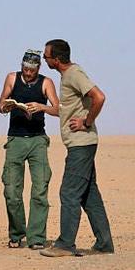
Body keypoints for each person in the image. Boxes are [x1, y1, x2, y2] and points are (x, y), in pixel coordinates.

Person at [36, 39, 114, 257]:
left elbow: (99, 97)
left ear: (57, 59)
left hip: (82, 144)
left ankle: (65, 244)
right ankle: (104, 244)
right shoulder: (67, 77)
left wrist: (86, 122)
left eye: (46, 57)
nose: (44, 60)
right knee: (89, 195)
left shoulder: (74, 74)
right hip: (80, 144)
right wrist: (43, 107)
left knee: (69, 192)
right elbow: (66, 109)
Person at [0, 49, 59, 249]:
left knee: (40, 190)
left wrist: (41, 107)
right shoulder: (12, 78)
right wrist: (5, 106)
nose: (27, 72)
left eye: (31, 70)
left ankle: (37, 238)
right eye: (24, 69)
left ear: (38, 68)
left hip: (37, 141)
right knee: (12, 191)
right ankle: (16, 234)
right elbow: (0, 104)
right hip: (15, 140)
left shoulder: (46, 82)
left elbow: (58, 109)